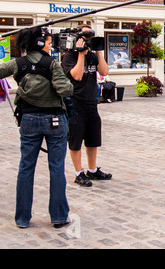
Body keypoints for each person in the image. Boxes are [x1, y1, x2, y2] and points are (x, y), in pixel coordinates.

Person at [0, 27, 73, 228]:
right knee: (56, 168)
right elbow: (65, 89)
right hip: (54, 120)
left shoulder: (17, 64)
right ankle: (58, 217)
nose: (51, 46)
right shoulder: (51, 64)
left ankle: (22, 218)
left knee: (26, 168)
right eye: (49, 42)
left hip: (28, 120)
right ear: (40, 43)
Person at [62, 24, 112, 187]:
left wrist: (98, 50)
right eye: (85, 36)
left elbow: (104, 72)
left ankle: (92, 170)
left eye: (90, 37)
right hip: (76, 103)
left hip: (92, 103)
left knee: (93, 139)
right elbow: (76, 76)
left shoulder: (92, 55)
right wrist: (80, 54)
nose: (87, 40)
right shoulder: (69, 56)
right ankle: (78, 172)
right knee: (76, 140)